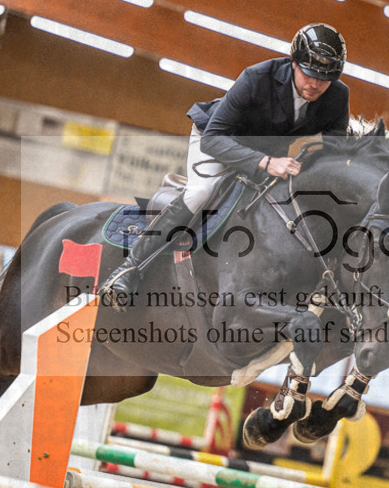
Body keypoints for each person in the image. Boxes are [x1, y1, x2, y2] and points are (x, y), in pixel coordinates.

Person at [104, 22, 351, 299]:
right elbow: (213, 139)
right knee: (202, 192)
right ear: (294, 63)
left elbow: (334, 155)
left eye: (325, 78)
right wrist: (267, 163)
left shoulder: (337, 97)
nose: (316, 84)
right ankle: (129, 269)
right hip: (217, 139)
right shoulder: (257, 78)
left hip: (267, 156)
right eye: (309, 74)